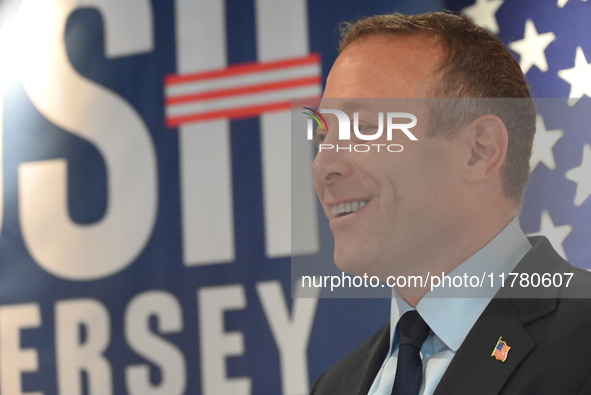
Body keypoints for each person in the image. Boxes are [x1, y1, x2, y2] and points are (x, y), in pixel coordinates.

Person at [310, 12, 591, 395]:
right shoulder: (335, 386)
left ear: (480, 151)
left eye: (365, 128)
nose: (323, 165)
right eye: (324, 134)